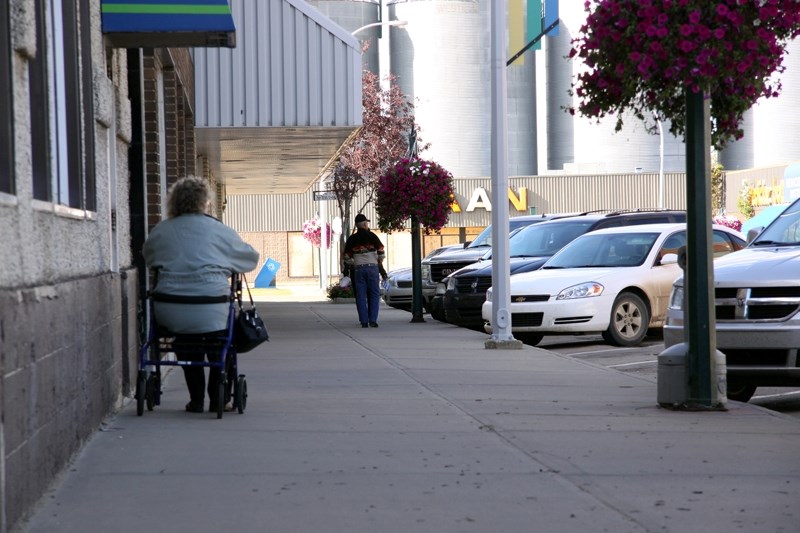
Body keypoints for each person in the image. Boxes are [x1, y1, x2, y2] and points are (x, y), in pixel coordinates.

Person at [143, 176, 260, 413]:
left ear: (173, 202)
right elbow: (250, 258)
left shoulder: (161, 231)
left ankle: (196, 399)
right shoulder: (219, 230)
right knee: (221, 343)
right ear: (205, 202)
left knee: (185, 342)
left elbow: (149, 257)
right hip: (212, 307)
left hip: (170, 309)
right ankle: (220, 395)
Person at [343, 213, 386, 328]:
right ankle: (373, 320)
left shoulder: (352, 239)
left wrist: (354, 262)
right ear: (365, 224)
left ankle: (363, 321)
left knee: (361, 295)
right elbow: (381, 249)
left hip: (359, 270)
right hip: (372, 268)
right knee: (374, 294)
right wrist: (379, 259)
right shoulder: (372, 236)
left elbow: (346, 256)